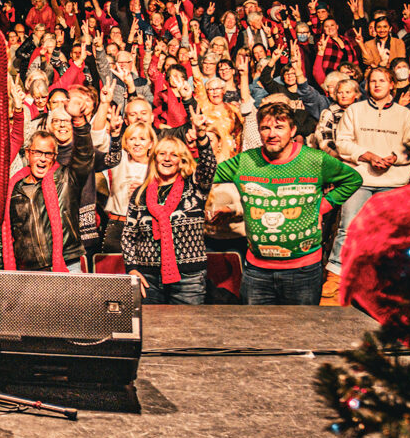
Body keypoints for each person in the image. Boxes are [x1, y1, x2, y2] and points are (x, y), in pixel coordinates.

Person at [213, 98, 362, 305]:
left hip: (303, 271)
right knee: (253, 325)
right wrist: (200, 141)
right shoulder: (245, 161)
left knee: (302, 326)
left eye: (279, 127)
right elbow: (203, 175)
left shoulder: (315, 160)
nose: (272, 134)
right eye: (265, 128)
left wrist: (323, 206)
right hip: (257, 271)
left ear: (292, 131)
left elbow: (352, 179)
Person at [326, 64, 410, 299]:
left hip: (392, 182)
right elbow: (342, 142)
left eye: (382, 80)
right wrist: (367, 155)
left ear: (392, 85)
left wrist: (394, 158)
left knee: (388, 233)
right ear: (367, 85)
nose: (377, 84)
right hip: (359, 179)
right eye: (372, 81)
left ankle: (385, 281)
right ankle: (335, 277)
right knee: (348, 228)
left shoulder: (405, 115)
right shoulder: (354, 110)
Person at [124, 131, 216, 304]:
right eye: (162, 153)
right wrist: (132, 268)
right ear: (154, 158)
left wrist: (202, 135)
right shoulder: (140, 194)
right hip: (148, 279)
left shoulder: (195, 188)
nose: (167, 159)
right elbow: (128, 235)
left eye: (174, 155)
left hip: (189, 278)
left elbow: (209, 165)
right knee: (150, 322)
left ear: (182, 161)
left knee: (187, 323)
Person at [2, 127, 94, 272]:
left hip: (67, 264)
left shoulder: (66, 178)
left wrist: (80, 124)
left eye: (48, 154)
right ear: (28, 153)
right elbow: (1, 238)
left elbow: (84, 156)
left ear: (55, 156)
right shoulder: (12, 188)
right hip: (28, 270)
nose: (43, 158)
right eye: (37, 152)